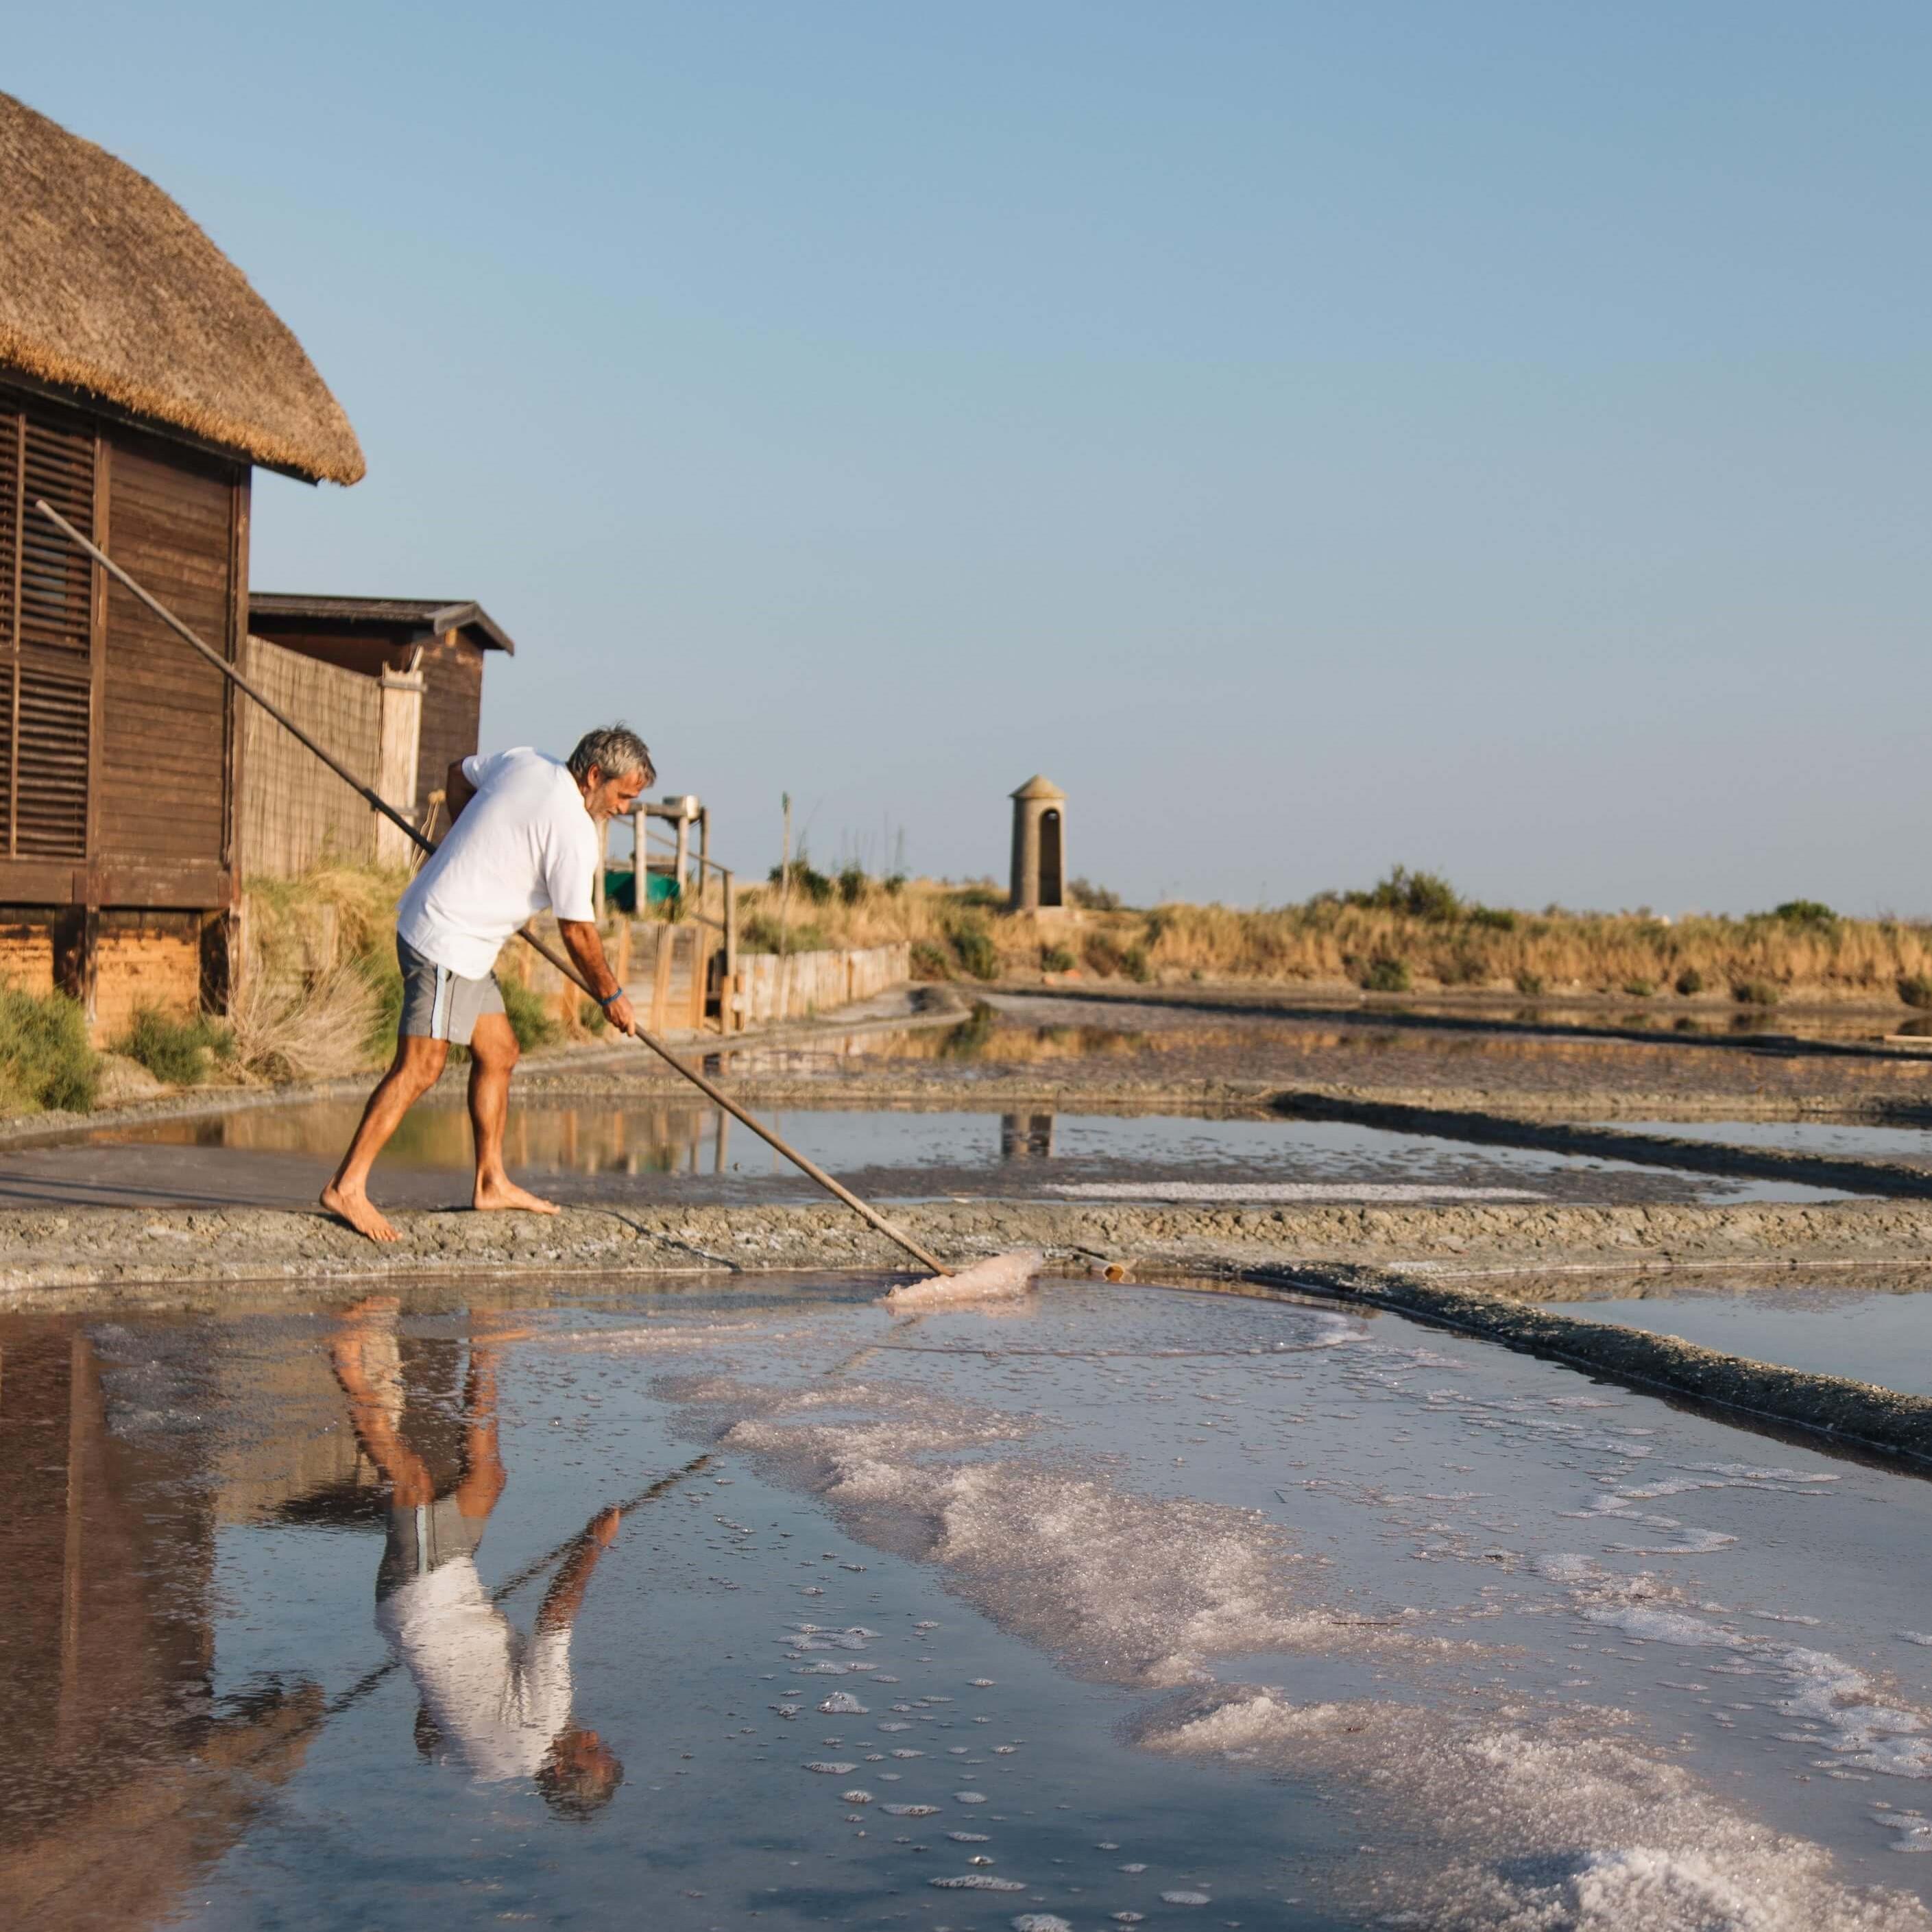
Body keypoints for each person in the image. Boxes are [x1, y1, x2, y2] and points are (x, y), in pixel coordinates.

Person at [322, 727, 653, 1242]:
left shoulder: (528, 761)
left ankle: (491, 1181)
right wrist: (610, 995)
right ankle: (348, 1185)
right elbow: (577, 931)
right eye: (624, 796)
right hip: (444, 940)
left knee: (500, 1051)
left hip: (469, 946)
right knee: (421, 1067)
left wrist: (469, 843)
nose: (626, 809)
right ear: (595, 776)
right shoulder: (573, 831)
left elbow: (458, 773)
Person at [330, 1298, 625, 1816]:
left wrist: (594, 1543)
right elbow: (427, 1743)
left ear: (561, 1770)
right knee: (488, 1481)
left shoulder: (547, 1720)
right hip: (438, 1599)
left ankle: (346, 1361)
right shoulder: (485, 1770)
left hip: (429, 1598)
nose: (595, 1734)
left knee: (412, 1482)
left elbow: (555, 1617)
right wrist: (444, 1693)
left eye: (592, 1750)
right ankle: (484, 1352)